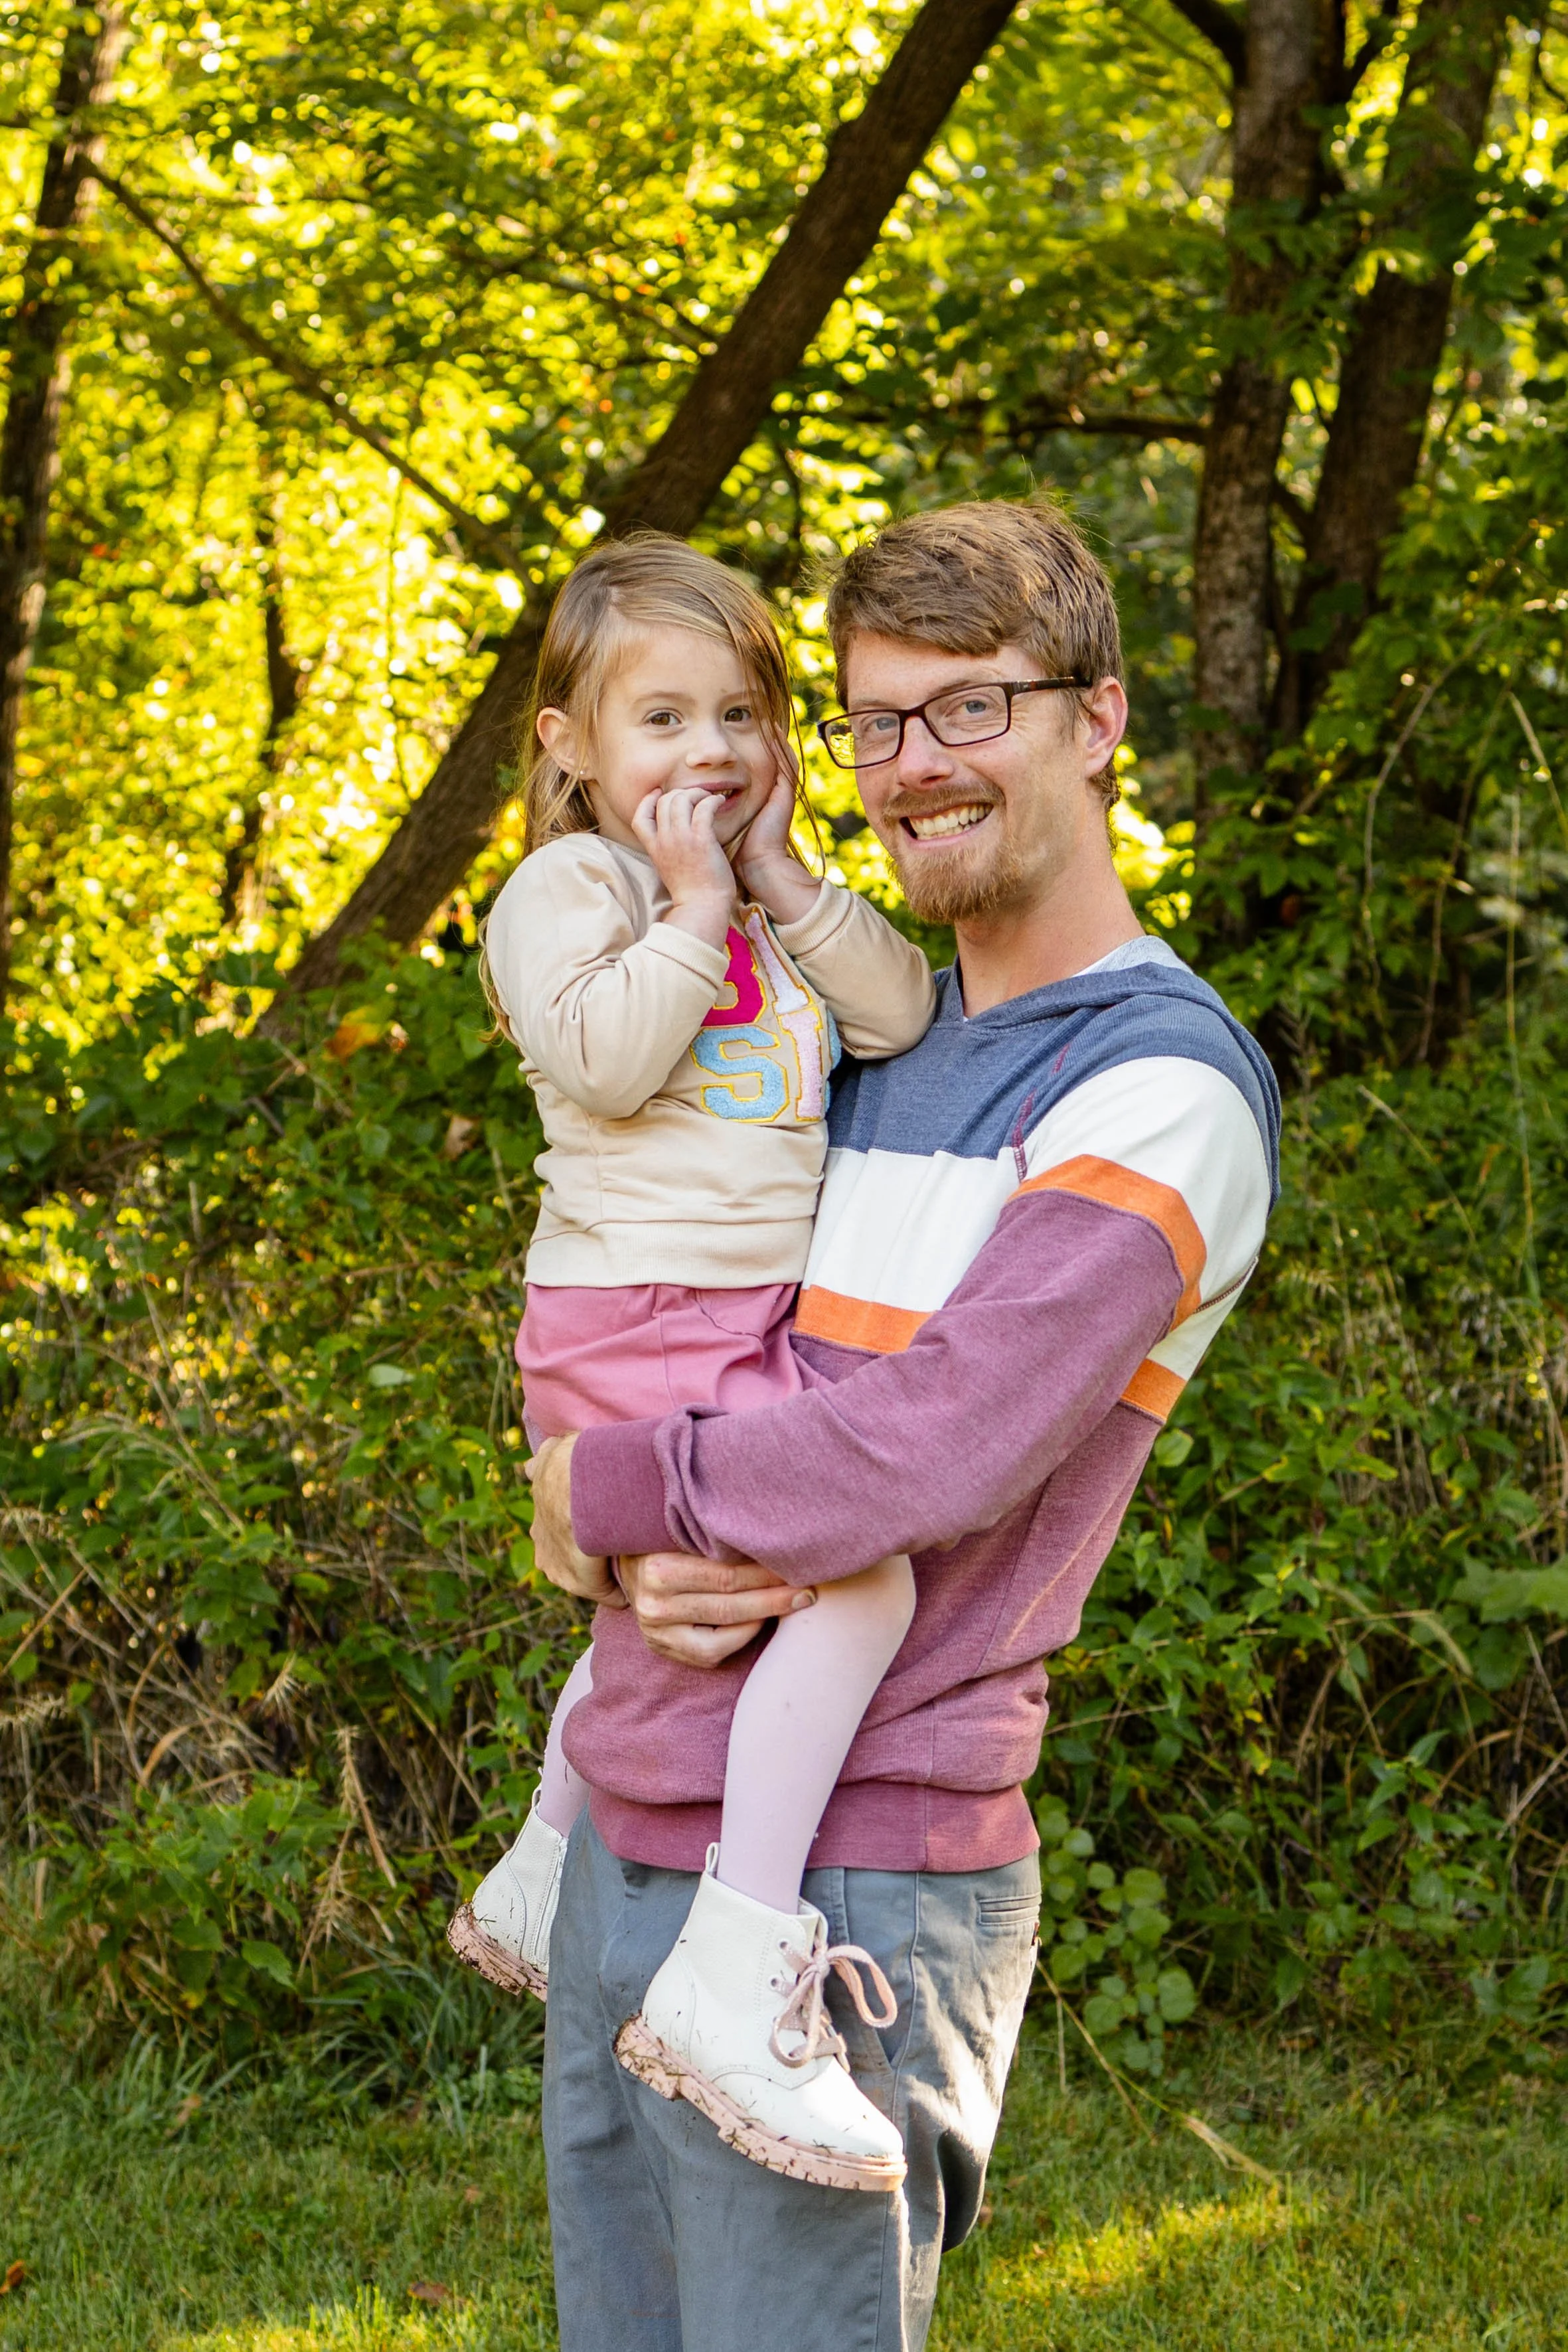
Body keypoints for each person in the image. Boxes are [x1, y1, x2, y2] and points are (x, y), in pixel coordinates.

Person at [526, 499, 1283, 2352]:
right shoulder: (862, 1034)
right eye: (871, 722)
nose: (910, 766)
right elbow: (685, 1345)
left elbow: (917, 1450)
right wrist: (575, 1526)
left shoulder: (1156, 1087)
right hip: (637, 1815)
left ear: (1098, 718)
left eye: (970, 709)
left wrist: (597, 1484)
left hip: (848, 1871)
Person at [446, 535, 937, 2189]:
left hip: (742, 1314)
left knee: (662, 1609)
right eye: (659, 719)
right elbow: (595, 1059)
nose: (704, 753)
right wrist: (695, 904)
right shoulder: (569, 891)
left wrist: (784, 882)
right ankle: (739, 1951)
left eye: (738, 712)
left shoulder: (763, 898)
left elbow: (899, 1019)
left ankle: (539, 1856)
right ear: (570, 745)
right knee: (844, 1584)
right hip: (632, 1309)